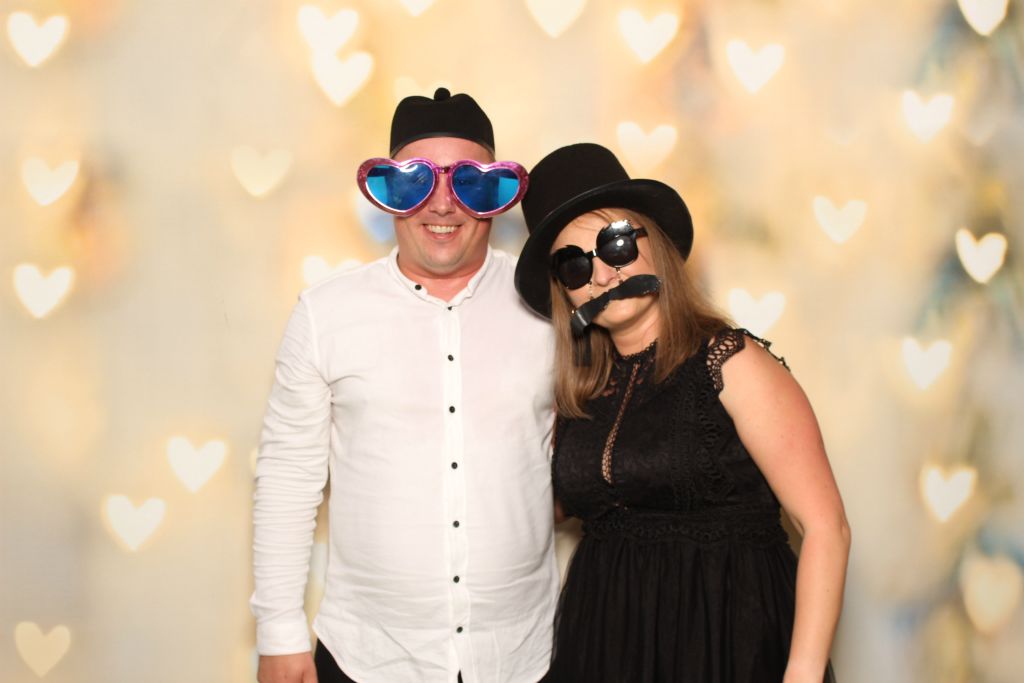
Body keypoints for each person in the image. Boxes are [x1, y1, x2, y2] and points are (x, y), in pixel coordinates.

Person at [250, 89, 559, 683]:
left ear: (495, 195)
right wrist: (279, 634)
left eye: (468, 183)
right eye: (416, 182)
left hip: (522, 655)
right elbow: (288, 479)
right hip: (369, 657)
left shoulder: (550, 306)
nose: (441, 204)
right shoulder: (326, 314)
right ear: (389, 193)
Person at [513, 143, 851, 683]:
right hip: (606, 648)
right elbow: (546, 507)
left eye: (616, 243)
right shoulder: (581, 395)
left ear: (654, 242)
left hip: (725, 643)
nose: (602, 275)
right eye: (574, 265)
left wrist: (803, 674)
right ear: (565, 293)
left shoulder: (731, 361)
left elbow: (826, 526)